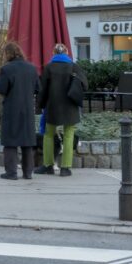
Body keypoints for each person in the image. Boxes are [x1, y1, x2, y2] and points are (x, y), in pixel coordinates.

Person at [36, 43, 88, 177]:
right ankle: (65, 168)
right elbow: (85, 85)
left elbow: (43, 90)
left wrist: (39, 106)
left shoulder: (48, 67)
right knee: (69, 135)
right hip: (70, 106)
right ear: (66, 53)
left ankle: (48, 166)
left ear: (53, 53)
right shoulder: (73, 67)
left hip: (52, 106)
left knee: (48, 134)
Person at [0, 42, 39, 180]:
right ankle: (28, 173)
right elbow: (38, 88)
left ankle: (11, 172)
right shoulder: (32, 68)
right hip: (27, 109)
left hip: (11, 109)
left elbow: (2, 89)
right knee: (27, 142)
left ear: (8, 54)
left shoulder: (6, 69)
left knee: (10, 142)